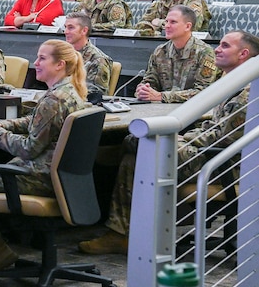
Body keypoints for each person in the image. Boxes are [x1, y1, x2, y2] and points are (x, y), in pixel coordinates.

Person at [78, 30, 256, 256]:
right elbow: (213, 126)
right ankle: (123, 228)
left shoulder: (248, 92)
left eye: (224, 46)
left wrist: (182, 138)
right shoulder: (230, 81)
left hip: (225, 163)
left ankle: (121, 233)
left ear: (243, 54)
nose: (217, 50)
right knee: (134, 145)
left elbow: (224, 137)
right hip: (209, 150)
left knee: (140, 148)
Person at [0, 40, 90, 277]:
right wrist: (5, 125)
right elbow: (35, 122)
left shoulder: (54, 100)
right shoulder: (69, 92)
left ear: (60, 64)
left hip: (37, 176)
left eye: (42, 58)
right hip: (60, 177)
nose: (35, 63)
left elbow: (28, 149)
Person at [135, 5, 217, 103]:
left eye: (173, 22)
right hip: (162, 109)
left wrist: (163, 96)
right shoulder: (160, 51)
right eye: (166, 21)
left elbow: (204, 92)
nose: (167, 26)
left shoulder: (204, 52)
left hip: (194, 110)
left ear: (187, 26)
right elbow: (150, 81)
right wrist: (143, 90)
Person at [63, 11, 112, 95]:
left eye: (71, 28)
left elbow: (95, 94)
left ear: (84, 30)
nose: (65, 32)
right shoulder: (62, 53)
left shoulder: (98, 59)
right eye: (65, 27)